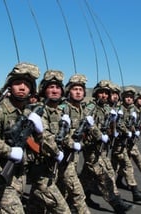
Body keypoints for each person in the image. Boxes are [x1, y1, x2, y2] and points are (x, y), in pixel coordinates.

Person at [0, 62, 42, 213]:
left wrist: (40, 132)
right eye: (18, 83)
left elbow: (38, 147)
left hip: (21, 175)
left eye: (26, 84)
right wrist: (9, 151)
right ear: (9, 86)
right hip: (2, 175)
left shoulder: (28, 113)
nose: (22, 87)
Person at [79, 80, 133, 213]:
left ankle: (83, 197)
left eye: (106, 93)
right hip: (90, 146)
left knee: (87, 176)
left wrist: (114, 125)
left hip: (101, 148)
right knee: (102, 175)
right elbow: (85, 124)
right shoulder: (90, 107)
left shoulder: (108, 109)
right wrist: (98, 134)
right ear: (96, 93)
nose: (103, 95)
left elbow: (110, 128)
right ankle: (116, 203)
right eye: (101, 92)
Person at [26, 69, 71, 213]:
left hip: (51, 168)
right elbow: (43, 137)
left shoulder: (59, 113)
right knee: (63, 210)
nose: (55, 90)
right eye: (51, 87)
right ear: (43, 90)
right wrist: (57, 152)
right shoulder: (38, 110)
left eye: (58, 87)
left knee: (36, 208)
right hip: (40, 168)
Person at [57, 74, 91, 213]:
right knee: (78, 193)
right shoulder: (63, 108)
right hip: (62, 156)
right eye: (75, 89)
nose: (78, 92)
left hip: (73, 157)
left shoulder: (83, 109)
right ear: (68, 91)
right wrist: (71, 143)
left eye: (81, 89)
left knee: (62, 191)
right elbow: (58, 134)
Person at [111, 87, 141, 202]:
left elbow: (131, 124)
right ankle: (134, 192)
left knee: (113, 167)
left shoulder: (132, 110)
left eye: (131, 97)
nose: (129, 99)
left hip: (126, 142)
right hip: (118, 143)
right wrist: (124, 130)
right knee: (126, 166)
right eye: (127, 96)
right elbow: (117, 124)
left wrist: (138, 127)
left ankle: (95, 187)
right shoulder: (119, 108)